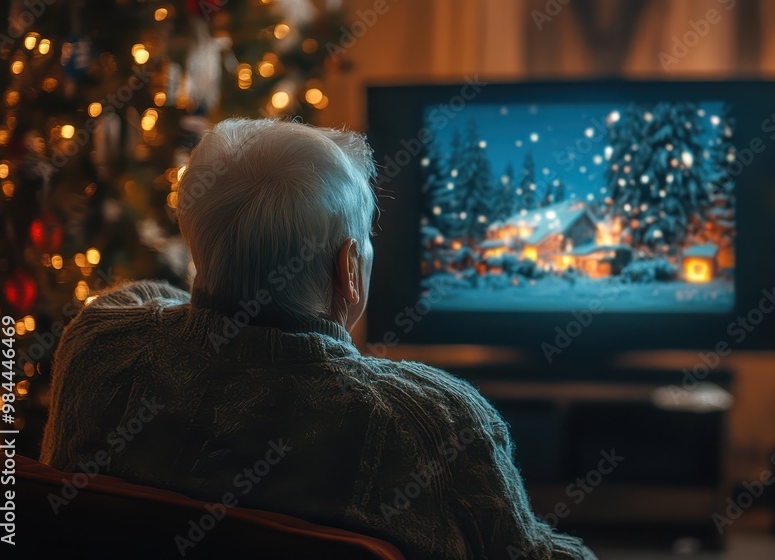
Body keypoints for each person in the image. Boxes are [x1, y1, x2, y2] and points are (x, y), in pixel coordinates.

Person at [41, 118, 596, 560]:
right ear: (348, 267)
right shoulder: (433, 425)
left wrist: (227, 263)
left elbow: (144, 300)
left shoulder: (100, 345)